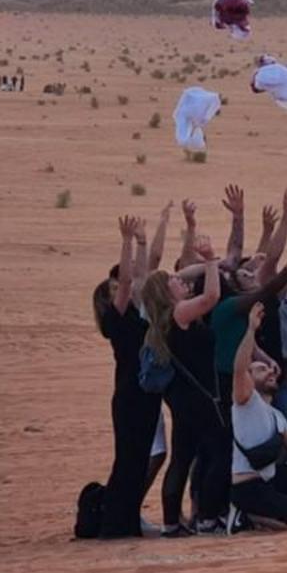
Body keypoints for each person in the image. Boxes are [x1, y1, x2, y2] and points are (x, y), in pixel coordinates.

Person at [139, 247, 226, 533]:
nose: (180, 281)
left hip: (181, 397)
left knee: (182, 456)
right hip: (197, 396)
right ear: (166, 291)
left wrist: (203, 264)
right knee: (220, 451)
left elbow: (179, 276)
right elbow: (212, 297)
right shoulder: (178, 312)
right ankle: (208, 517)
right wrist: (211, 261)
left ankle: (171, 523)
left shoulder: (160, 318)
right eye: (173, 281)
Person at [90, 213, 162, 536]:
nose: (122, 287)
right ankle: (115, 524)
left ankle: (127, 521)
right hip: (129, 396)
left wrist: (144, 243)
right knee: (128, 462)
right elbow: (131, 281)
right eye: (115, 287)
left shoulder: (135, 312)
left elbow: (142, 279)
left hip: (145, 394)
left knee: (138, 460)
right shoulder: (114, 321)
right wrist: (127, 241)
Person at [228, 304, 287, 529]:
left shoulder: (276, 414)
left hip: (269, 481)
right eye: (260, 369)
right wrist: (251, 330)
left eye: (269, 370)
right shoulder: (246, 402)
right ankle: (247, 514)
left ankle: (272, 514)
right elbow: (239, 368)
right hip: (247, 486)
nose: (269, 371)